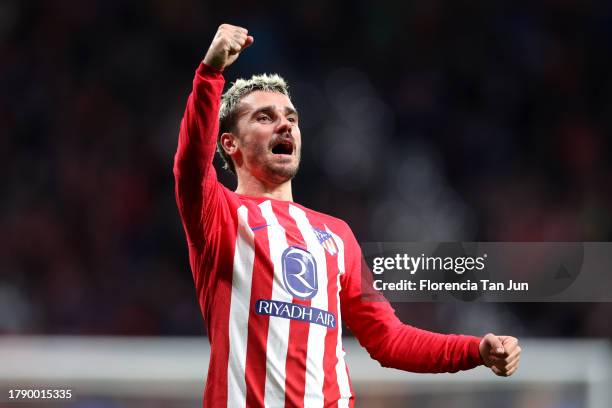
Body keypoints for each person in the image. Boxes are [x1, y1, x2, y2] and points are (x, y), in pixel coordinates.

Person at [173, 23, 521, 408]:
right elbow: (191, 168)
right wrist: (210, 74)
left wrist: (475, 350)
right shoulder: (222, 215)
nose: (285, 123)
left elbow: (389, 339)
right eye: (265, 117)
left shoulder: (336, 234)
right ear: (230, 144)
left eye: (291, 117)